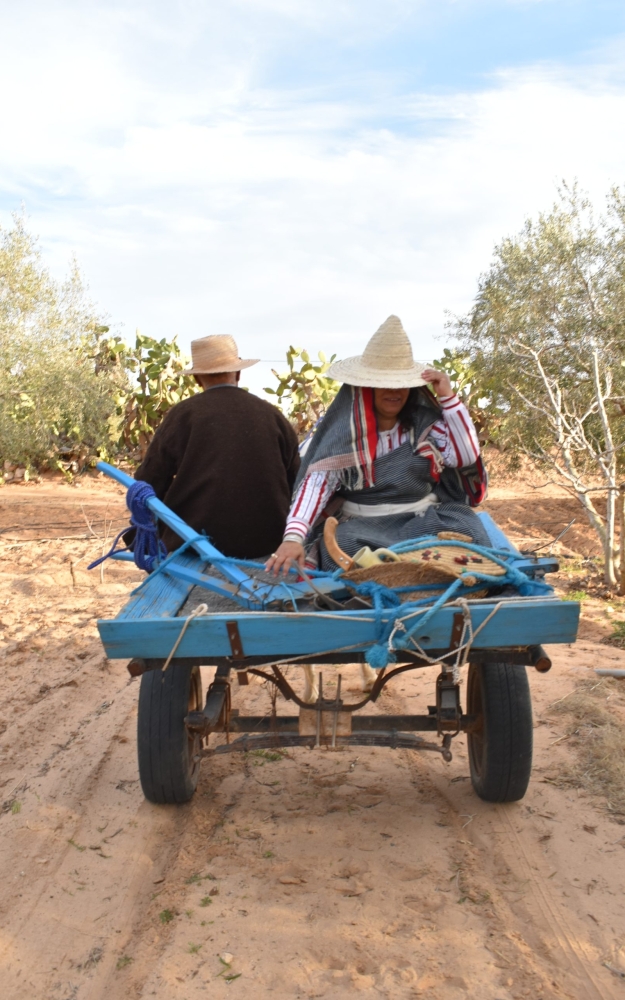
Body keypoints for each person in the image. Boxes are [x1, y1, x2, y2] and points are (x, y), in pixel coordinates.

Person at [267, 315, 489, 576]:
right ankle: (420, 571)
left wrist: (448, 398)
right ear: (364, 387)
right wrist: (293, 537)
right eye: (383, 384)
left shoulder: (425, 425)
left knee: (470, 529)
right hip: (364, 525)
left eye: (401, 385)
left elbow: (464, 456)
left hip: (421, 519)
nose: (394, 392)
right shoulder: (341, 433)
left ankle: (407, 572)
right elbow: (317, 483)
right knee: (340, 547)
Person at [135, 334, 300, 558]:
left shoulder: (183, 415)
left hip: (193, 543)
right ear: (238, 373)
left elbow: (149, 481)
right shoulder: (272, 415)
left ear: (196, 379)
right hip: (269, 542)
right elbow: (297, 481)